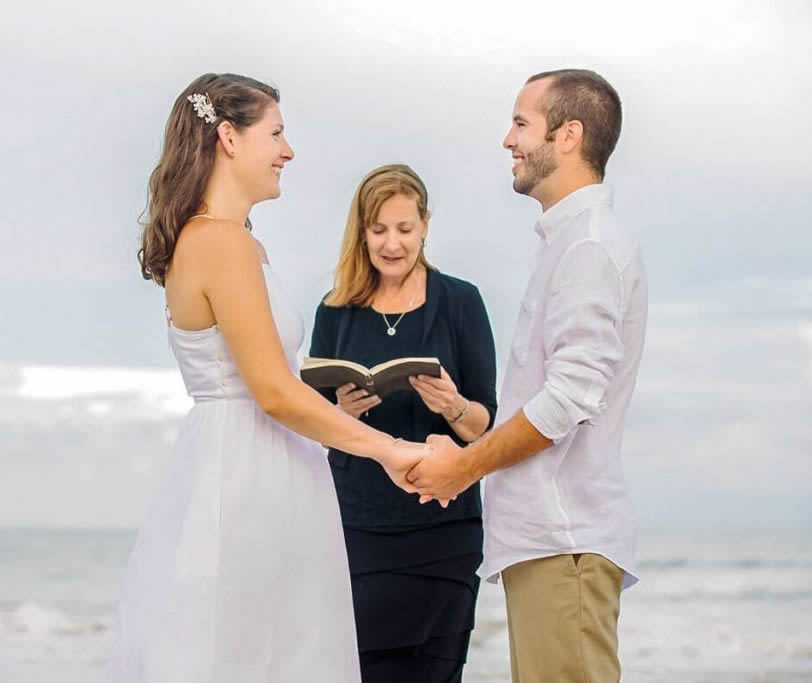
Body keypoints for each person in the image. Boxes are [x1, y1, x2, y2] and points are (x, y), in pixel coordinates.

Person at [107, 73, 430, 683]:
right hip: (244, 472)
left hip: (267, 462)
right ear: (228, 137)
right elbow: (273, 392)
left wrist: (334, 410)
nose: (288, 151)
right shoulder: (218, 243)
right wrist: (393, 450)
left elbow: (271, 383)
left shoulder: (236, 242)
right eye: (277, 134)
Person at [407, 69, 648, 683]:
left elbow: (567, 400)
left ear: (568, 135)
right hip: (548, 544)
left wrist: (463, 466)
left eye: (520, 123)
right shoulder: (568, 243)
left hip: (562, 542)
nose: (507, 140)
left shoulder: (587, 247)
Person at [309, 164, 497, 682]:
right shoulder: (335, 310)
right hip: (356, 526)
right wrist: (339, 413)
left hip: (444, 528)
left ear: (426, 226)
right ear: (361, 232)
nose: (392, 244)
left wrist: (453, 406)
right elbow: (309, 419)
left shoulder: (461, 301)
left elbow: (484, 427)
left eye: (405, 229)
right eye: (379, 230)